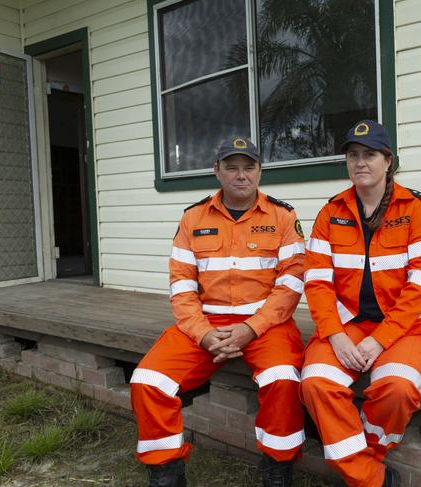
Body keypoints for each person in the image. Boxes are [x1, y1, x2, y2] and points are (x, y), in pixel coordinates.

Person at [130, 137, 306, 487]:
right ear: (217, 171)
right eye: (231, 167)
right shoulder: (193, 217)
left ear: (259, 171)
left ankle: (277, 469)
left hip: (266, 326)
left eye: (249, 167)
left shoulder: (283, 216)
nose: (241, 175)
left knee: (283, 380)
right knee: (146, 381)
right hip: (204, 325)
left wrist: (250, 328)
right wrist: (204, 333)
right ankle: (166, 473)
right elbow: (181, 284)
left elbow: (292, 284)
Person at [299, 120, 421, 487]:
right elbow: (316, 283)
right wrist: (334, 335)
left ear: (388, 160)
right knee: (315, 384)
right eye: (352, 155)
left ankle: (362, 457)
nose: (360, 162)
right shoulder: (329, 212)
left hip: (407, 326)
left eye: (369, 155)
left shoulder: (415, 208)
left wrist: (380, 339)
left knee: (396, 388)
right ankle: (372, 478)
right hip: (346, 325)